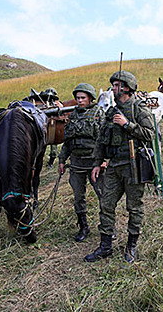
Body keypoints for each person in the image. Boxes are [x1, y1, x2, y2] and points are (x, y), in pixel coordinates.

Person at [84, 70, 154, 264]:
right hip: (114, 166)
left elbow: (150, 134)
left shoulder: (139, 108)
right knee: (106, 205)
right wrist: (97, 163)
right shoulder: (110, 111)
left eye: (117, 85)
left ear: (127, 87)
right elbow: (101, 140)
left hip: (134, 166)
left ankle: (131, 245)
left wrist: (127, 125)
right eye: (113, 85)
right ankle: (105, 246)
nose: (113, 88)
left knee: (134, 207)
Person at [58, 83, 104, 242]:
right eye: (77, 98)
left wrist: (103, 160)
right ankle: (83, 226)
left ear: (90, 98)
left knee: (103, 196)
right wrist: (62, 160)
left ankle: (107, 227)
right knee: (78, 196)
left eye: (83, 98)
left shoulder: (99, 114)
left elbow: (105, 140)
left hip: (94, 163)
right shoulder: (73, 116)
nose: (79, 101)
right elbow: (67, 141)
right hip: (76, 163)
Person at [44, 87, 63, 167]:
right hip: (45, 128)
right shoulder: (43, 104)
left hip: (53, 128)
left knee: (53, 148)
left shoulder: (58, 104)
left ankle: (51, 161)